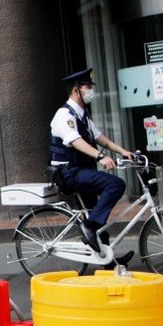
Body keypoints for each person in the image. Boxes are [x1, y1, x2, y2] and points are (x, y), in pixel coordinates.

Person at [49, 68, 135, 268]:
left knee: (96, 212)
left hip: (82, 171)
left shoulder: (83, 114)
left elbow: (99, 137)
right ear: (76, 90)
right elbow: (76, 141)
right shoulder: (64, 114)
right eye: (88, 87)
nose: (91, 91)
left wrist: (123, 151)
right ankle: (89, 227)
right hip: (69, 173)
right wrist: (101, 157)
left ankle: (108, 260)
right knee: (115, 185)